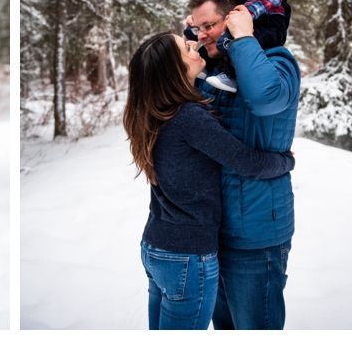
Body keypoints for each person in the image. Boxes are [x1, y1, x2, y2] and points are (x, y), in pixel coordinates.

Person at [123, 31, 295, 330]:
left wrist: (197, 34)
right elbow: (247, 163)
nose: (196, 45)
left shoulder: (151, 111)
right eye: (187, 47)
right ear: (172, 70)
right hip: (187, 257)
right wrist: (286, 160)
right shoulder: (188, 116)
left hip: (156, 248)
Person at [186, 0, 300, 330]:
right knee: (224, 327)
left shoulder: (278, 61)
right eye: (197, 27)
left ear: (238, 18)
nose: (203, 34)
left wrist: (244, 38)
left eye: (210, 26)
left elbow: (265, 99)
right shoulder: (212, 70)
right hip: (213, 232)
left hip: (255, 232)